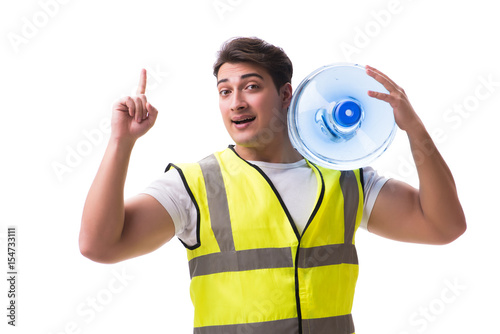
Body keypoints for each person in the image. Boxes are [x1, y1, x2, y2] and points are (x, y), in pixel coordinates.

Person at [79, 37, 466, 334]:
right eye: (225, 91)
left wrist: (414, 129)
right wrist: (121, 142)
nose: (236, 103)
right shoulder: (194, 184)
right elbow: (99, 246)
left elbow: (444, 226)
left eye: (250, 87)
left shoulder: (345, 178)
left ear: (285, 95)